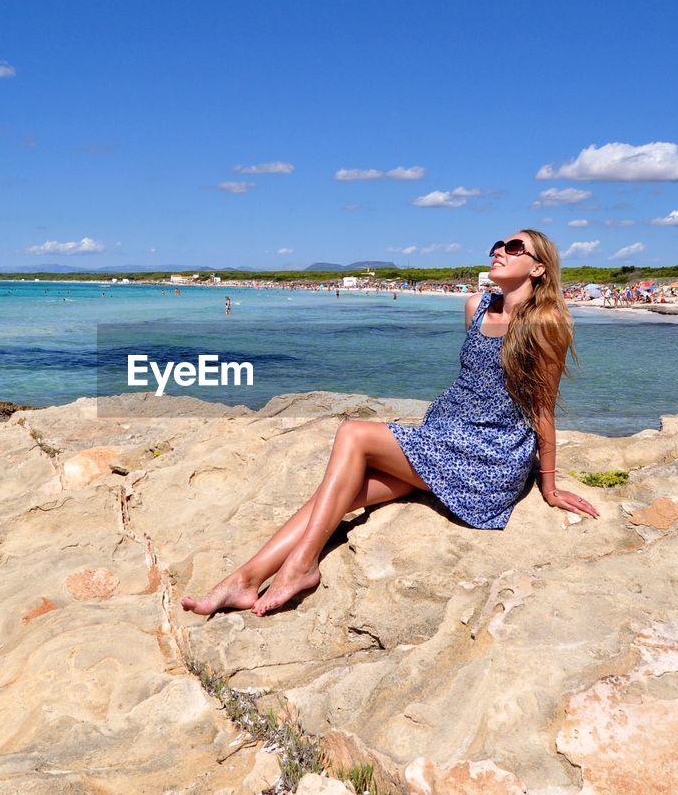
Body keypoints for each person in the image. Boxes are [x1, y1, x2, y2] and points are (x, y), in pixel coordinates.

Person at [181, 229, 599, 618]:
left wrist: (548, 485)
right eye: (497, 244)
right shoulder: (475, 307)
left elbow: (543, 408)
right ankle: (244, 580)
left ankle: (302, 566)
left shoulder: (546, 324)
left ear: (539, 268)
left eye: (513, 248)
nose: (498, 251)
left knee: (353, 434)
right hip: (444, 438)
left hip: (486, 455)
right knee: (338, 494)